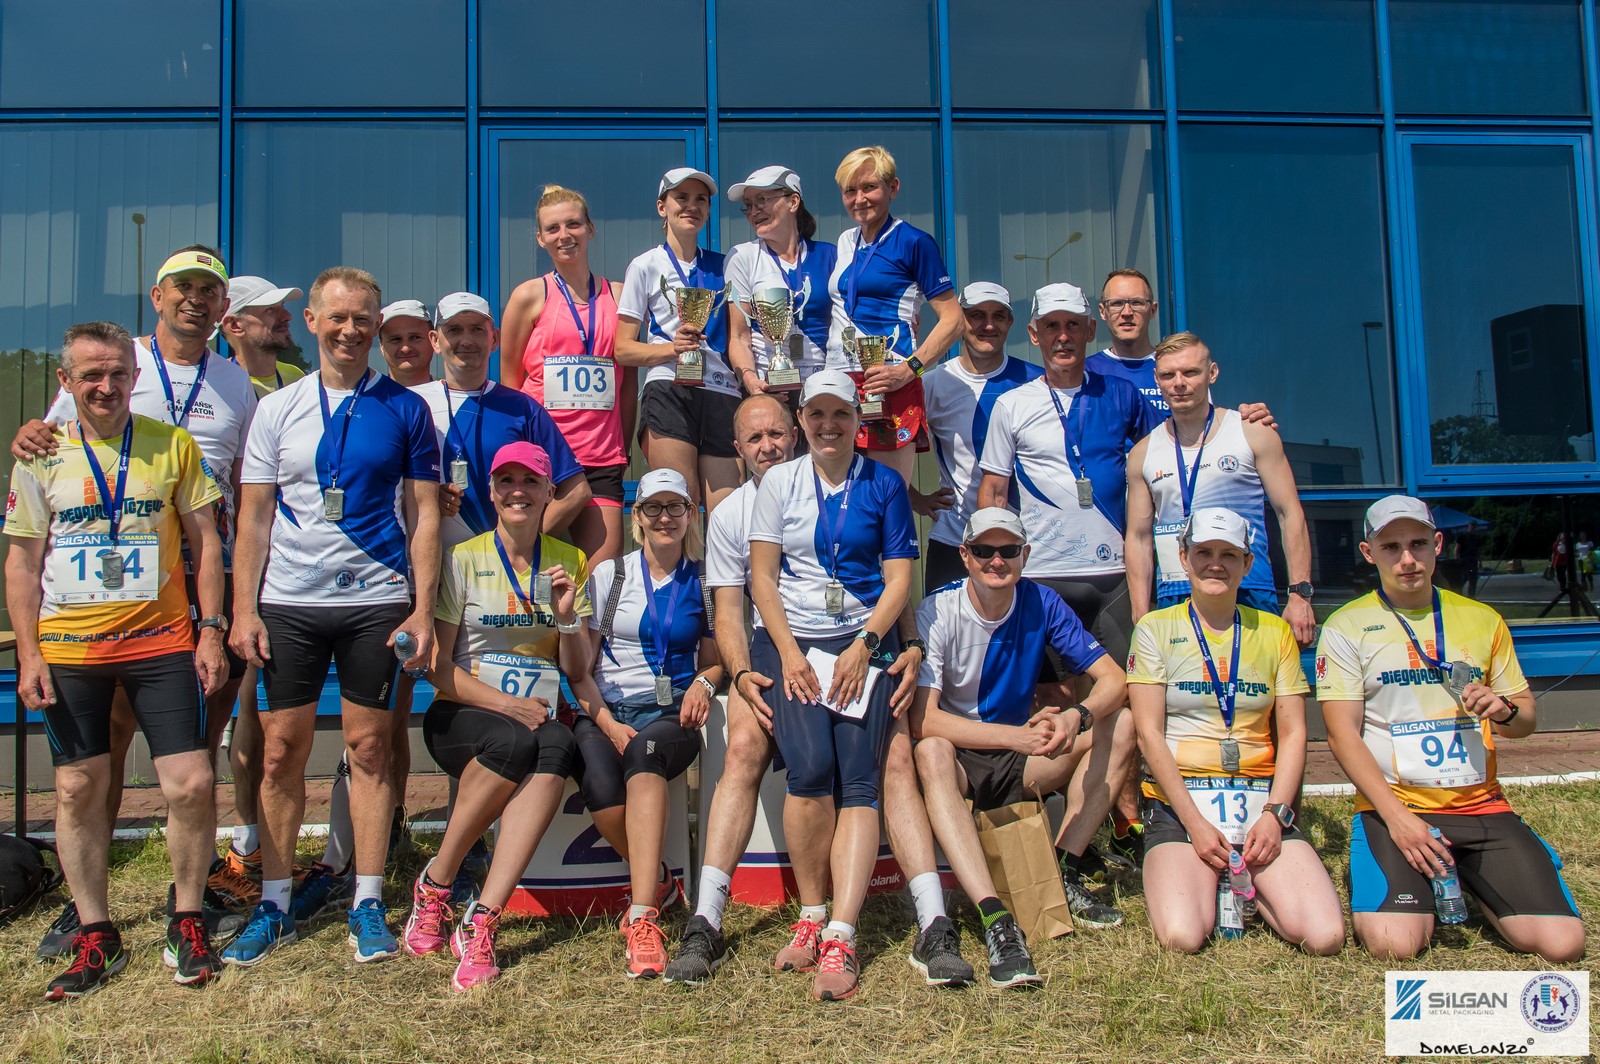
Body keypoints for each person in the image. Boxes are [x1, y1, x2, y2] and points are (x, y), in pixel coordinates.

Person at [12, 246, 257, 955]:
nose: (196, 300)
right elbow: (42, 461)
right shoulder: (108, 374)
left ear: (223, 306)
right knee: (91, 768)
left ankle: (192, 896)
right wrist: (26, 435)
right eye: (183, 287)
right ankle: (88, 907)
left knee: (192, 763)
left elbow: (245, 485)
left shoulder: (234, 384)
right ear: (157, 296)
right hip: (83, 618)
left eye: (209, 290)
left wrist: (217, 619)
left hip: (180, 597)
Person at [224, 266, 442, 967]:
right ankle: (274, 901)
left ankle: (367, 900)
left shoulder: (407, 408)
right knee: (280, 752)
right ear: (313, 321)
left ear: (376, 326)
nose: (351, 330)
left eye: (363, 319)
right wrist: (243, 610)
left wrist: (423, 609)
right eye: (338, 317)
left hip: (375, 600)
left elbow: (426, 515)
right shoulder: (277, 409)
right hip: (289, 603)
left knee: (370, 749)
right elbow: (253, 519)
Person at [1319, 496, 1584, 962]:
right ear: (1368, 552)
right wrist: (1398, 820)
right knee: (1394, 945)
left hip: (1481, 806)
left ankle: (1471, 869)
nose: (1407, 559)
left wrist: (1502, 709)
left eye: (1418, 544)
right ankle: (1429, 870)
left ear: (1438, 544)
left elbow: (1524, 722)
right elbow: (1342, 734)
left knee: (1561, 946)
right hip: (1396, 808)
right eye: (1391, 547)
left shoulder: (1482, 619)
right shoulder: (1346, 626)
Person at [747, 369, 918, 1001]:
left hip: (862, 640)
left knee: (860, 775)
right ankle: (812, 913)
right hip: (793, 641)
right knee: (810, 767)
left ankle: (843, 932)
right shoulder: (779, 482)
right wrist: (790, 653)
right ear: (801, 422)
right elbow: (762, 580)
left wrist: (865, 646)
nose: (828, 426)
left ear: (856, 420)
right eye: (816, 414)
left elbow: (898, 580)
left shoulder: (885, 483)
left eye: (840, 414)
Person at [910, 508, 1129, 985]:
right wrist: (1017, 736)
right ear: (964, 555)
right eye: (984, 550)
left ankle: (1065, 868)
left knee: (1124, 723)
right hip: (965, 757)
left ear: (1025, 555)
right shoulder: (937, 610)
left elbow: (1114, 680)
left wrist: (1075, 715)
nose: (996, 560)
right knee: (929, 751)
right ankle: (995, 917)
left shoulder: (1043, 601)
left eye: (1008, 550)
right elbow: (924, 720)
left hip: (1021, 758)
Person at [401, 443, 591, 991]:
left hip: (535, 717)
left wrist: (566, 618)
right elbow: (437, 670)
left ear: (549, 491)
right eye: (506, 481)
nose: (517, 492)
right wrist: (507, 704)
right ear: (490, 490)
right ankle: (436, 885)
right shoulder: (462, 558)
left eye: (530, 481)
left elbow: (577, 669)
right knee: (517, 741)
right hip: (461, 712)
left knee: (555, 745)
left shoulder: (569, 559)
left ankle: (483, 917)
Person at [1127, 508, 1344, 955]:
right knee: (1183, 935)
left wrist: (1276, 815)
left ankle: (1243, 879)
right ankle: (1222, 876)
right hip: (1182, 806)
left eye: (1228, 554)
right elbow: (1148, 734)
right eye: (1203, 552)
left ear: (1247, 563)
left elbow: (1294, 734)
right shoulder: (1154, 629)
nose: (1215, 564)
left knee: (1324, 937)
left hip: (1258, 802)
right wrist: (1194, 823)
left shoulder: (1275, 632)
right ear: (1183, 558)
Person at [566, 468, 721, 980]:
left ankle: (642, 917)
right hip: (607, 709)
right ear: (637, 517)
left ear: (690, 514)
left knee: (645, 753)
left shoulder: (705, 579)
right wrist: (608, 725)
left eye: (675, 507)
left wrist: (703, 684)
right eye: (653, 507)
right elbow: (580, 670)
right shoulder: (610, 576)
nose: (664, 517)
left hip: (671, 715)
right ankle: (658, 878)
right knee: (601, 788)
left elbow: (716, 660)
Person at [663, 393, 796, 983]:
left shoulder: (828, 492)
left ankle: (852, 908)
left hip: (832, 651)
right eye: (755, 438)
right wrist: (741, 677)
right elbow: (728, 613)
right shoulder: (731, 513)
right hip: (763, 656)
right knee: (741, 749)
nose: (768, 447)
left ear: (794, 436)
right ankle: (706, 918)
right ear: (737, 449)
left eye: (776, 434)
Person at [207, 274, 307, 912]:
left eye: (286, 311)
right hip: (226, 566)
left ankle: (253, 844)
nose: (284, 320)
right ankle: (243, 842)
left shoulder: (297, 382)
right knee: (236, 707)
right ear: (234, 325)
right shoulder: (216, 385)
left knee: (259, 708)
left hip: (292, 573)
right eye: (270, 312)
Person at [1125, 332, 1316, 646]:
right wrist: (1140, 613)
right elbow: (1138, 537)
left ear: (1211, 373)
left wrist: (1299, 594)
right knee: (1183, 680)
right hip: (1177, 590)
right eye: (1168, 375)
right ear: (1157, 380)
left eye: (1190, 372)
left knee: (1256, 677)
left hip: (1248, 587)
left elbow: (1289, 513)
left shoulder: (1251, 432)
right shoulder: (1142, 452)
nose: (1179, 383)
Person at [501, 185, 630, 565]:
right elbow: (510, 383)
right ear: (540, 239)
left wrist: (622, 450)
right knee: (528, 566)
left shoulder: (620, 296)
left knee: (603, 578)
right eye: (552, 228)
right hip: (546, 455)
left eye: (573, 224)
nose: (564, 235)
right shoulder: (529, 296)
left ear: (590, 229)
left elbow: (627, 384)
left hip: (602, 456)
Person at [826, 146, 964, 484]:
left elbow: (954, 320)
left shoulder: (915, 242)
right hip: (842, 380)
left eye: (869, 187)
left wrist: (909, 370)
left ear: (893, 188)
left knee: (886, 495)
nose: (859, 199)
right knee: (841, 495)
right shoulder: (845, 241)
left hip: (889, 381)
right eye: (850, 190)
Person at [616, 168, 741, 515]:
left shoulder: (726, 265)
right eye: (681, 198)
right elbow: (622, 349)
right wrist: (671, 349)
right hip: (669, 388)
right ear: (662, 206)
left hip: (722, 391)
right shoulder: (645, 265)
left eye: (701, 200)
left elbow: (740, 336)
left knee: (728, 514)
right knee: (678, 506)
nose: (692, 206)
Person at [919, 282, 1041, 589]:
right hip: (955, 540)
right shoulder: (933, 383)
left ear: (1010, 322)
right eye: (976, 315)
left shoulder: (1037, 381)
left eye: (998, 316)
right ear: (959, 321)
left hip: (1023, 543)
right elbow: (884, 444)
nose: (988, 325)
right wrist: (916, 500)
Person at [723, 166, 836, 397]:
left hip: (823, 388)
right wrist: (751, 382)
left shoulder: (830, 255)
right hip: (768, 387)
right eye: (748, 205)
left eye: (762, 200)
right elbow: (738, 335)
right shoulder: (742, 256)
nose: (754, 211)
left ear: (793, 202)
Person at [222, 275, 307, 397]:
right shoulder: (215, 382)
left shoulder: (296, 378)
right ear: (235, 325)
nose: (287, 316)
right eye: (270, 309)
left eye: (282, 306)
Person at [378, 299, 435, 388]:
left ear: (433, 341)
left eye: (415, 338)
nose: (405, 349)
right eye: (395, 339)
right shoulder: (367, 396)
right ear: (381, 346)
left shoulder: (451, 395)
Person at [1456, 521, 1482, 599]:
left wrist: (1480, 561)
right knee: (1464, 577)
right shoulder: (1463, 536)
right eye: (1471, 526)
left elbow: (1479, 550)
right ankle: (1457, 593)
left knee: (1473, 579)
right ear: (1469, 526)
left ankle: (1471, 596)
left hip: (1473, 560)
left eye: (1474, 526)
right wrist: (1457, 558)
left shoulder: (1477, 538)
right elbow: (1457, 548)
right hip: (1464, 560)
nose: (1473, 528)